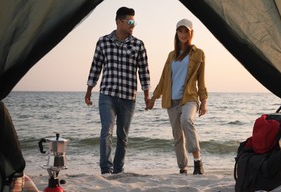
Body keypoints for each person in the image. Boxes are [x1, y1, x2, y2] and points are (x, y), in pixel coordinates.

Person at [84, 7, 150, 175]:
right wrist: (89, 91)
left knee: (122, 136)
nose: (133, 25)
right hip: (107, 94)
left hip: (128, 97)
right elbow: (95, 67)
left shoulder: (138, 45)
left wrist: (147, 96)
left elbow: (144, 72)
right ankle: (106, 168)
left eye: (134, 22)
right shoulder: (103, 42)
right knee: (107, 130)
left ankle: (118, 170)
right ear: (118, 22)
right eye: (130, 22)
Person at [147, 18, 208, 175]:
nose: (182, 34)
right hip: (171, 100)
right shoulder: (171, 55)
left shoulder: (198, 54)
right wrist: (154, 97)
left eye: (185, 31)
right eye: (180, 31)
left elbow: (201, 80)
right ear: (176, 33)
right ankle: (182, 168)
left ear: (191, 33)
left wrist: (204, 101)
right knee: (177, 136)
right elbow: (163, 79)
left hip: (189, 98)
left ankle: (197, 161)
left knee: (187, 120)